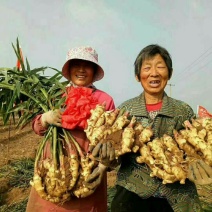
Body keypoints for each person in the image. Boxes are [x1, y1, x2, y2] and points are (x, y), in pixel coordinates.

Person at [110, 44, 203, 212]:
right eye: (147, 68)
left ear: (170, 73)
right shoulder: (125, 110)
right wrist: (107, 155)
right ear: (138, 76)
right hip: (132, 195)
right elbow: (114, 156)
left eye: (160, 67)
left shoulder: (183, 110)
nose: (154, 73)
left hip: (175, 197)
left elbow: (196, 151)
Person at [26, 46, 115, 212]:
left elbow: (111, 139)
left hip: (89, 170)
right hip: (53, 167)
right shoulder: (56, 93)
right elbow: (36, 126)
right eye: (76, 64)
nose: (81, 70)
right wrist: (45, 118)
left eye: (87, 65)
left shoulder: (105, 99)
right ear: (69, 69)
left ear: (94, 70)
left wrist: (103, 165)